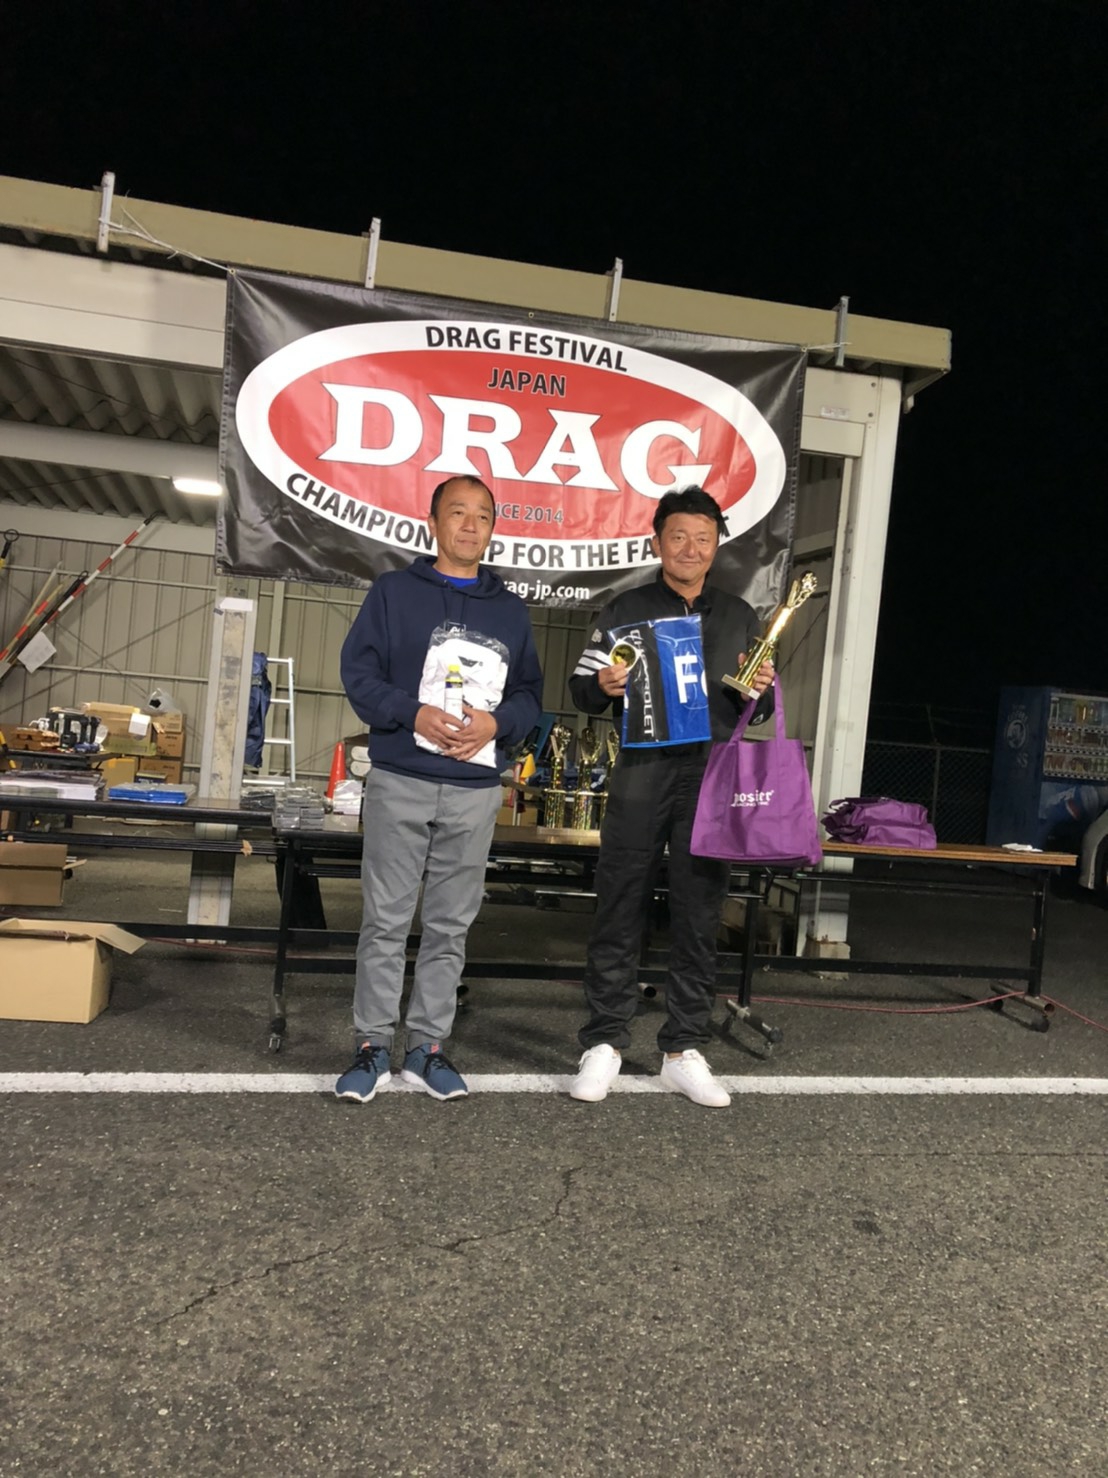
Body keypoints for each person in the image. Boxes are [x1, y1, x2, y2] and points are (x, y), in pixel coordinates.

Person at [335, 474, 543, 1104]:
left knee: (451, 925)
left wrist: (496, 724)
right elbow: (358, 674)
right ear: (433, 523)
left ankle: (427, 1047)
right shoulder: (394, 593)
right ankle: (372, 1045)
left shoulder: (510, 611)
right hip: (401, 777)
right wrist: (412, 713)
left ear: (492, 528)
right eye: (458, 512)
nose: (471, 525)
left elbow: (529, 695)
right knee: (385, 920)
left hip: (475, 788)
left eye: (483, 515)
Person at [567, 485, 775, 1108]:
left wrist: (761, 689)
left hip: (710, 777)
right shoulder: (624, 607)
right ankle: (604, 1041)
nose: (690, 548)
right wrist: (604, 684)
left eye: (702, 538)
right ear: (658, 542)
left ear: (716, 547)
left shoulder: (740, 615)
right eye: (678, 536)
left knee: (698, 914)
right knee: (619, 903)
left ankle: (683, 1048)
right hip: (641, 772)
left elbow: (757, 709)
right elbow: (581, 689)